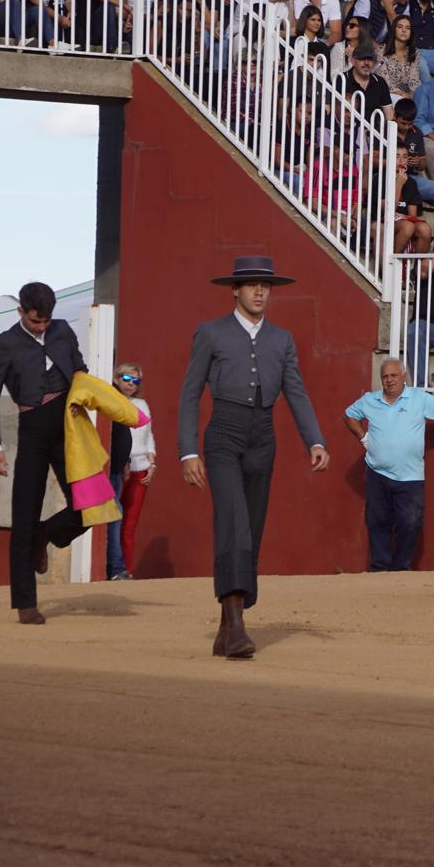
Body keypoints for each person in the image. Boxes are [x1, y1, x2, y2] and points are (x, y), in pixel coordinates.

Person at [178, 257, 330, 659]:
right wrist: (188, 451)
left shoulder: (281, 339)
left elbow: (295, 392)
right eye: (251, 285)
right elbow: (190, 394)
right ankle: (239, 627)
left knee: (254, 530)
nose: (260, 292)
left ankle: (227, 628)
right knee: (235, 523)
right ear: (235, 290)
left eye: (266, 286)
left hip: (263, 436)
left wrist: (314, 440)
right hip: (223, 434)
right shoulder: (210, 333)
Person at [0, 282, 89, 624]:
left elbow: (80, 371)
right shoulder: (3, 346)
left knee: (89, 504)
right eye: (35, 320)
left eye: (46, 320)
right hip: (33, 433)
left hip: (69, 429)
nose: (42, 326)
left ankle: (48, 533)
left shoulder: (63, 331)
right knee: (23, 517)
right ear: (21, 311)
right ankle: (25, 603)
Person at [343, 359, 434, 572]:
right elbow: (349, 415)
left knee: (409, 524)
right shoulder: (369, 400)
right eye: (385, 377)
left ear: (403, 377)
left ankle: (401, 570)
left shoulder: (418, 398)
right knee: (376, 522)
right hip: (376, 472)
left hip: (410, 477)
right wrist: (364, 438)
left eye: (394, 376)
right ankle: (379, 569)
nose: (390, 380)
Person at [106, 363, 156, 581]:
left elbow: (148, 434)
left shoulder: (142, 404)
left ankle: (125, 569)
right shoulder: (109, 401)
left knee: (129, 523)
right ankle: (114, 569)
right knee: (114, 519)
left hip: (140, 469)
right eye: (127, 378)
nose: (131, 384)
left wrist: (152, 462)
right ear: (116, 378)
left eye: (136, 381)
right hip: (118, 467)